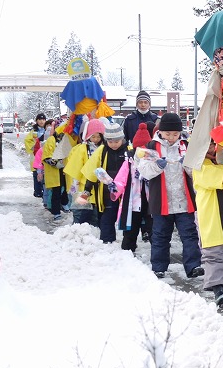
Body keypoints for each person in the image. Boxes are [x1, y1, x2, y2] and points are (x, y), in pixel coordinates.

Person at [136, 113, 203, 279]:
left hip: (183, 200)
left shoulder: (187, 146)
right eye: (168, 134)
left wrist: (188, 166)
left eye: (175, 134)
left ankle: (193, 266)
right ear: (161, 132)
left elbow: (196, 172)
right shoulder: (151, 147)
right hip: (161, 200)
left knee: (189, 234)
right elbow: (144, 172)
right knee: (160, 235)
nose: (172, 137)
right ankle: (159, 267)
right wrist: (157, 166)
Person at [192, 138, 223, 306]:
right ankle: (217, 288)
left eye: (215, 144)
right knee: (213, 253)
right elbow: (214, 177)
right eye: (209, 144)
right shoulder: (198, 163)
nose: (212, 148)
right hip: (211, 215)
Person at [81, 122, 130, 243]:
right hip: (107, 192)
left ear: (122, 139)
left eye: (116, 141)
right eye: (110, 142)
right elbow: (93, 170)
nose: (113, 144)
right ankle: (107, 242)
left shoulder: (129, 150)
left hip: (126, 192)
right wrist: (87, 190)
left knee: (128, 219)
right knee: (106, 218)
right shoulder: (102, 151)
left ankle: (128, 244)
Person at [112, 122, 154, 254]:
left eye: (144, 148)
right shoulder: (129, 162)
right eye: (139, 148)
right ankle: (127, 251)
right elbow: (121, 179)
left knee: (154, 229)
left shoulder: (153, 161)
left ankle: (159, 252)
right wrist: (114, 189)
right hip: (133, 201)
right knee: (131, 229)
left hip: (150, 201)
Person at [63, 118, 106, 226]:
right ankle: (79, 228)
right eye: (93, 136)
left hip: (99, 185)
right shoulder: (82, 149)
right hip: (83, 184)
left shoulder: (104, 148)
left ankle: (94, 228)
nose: (96, 139)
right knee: (82, 210)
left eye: (98, 136)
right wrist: (74, 185)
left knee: (95, 211)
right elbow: (75, 167)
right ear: (88, 136)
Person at [41, 121, 71, 221]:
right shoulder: (51, 140)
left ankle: (65, 204)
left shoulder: (66, 140)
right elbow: (46, 156)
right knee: (56, 191)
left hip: (65, 170)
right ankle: (56, 211)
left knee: (66, 189)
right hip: (55, 171)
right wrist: (54, 163)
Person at [24, 113, 46, 198]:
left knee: (44, 173)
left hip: (44, 153)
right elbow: (27, 140)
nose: (41, 121)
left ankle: (44, 191)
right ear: (36, 120)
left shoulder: (47, 129)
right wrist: (34, 147)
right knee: (36, 173)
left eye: (43, 119)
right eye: (40, 119)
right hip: (36, 154)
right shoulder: (33, 131)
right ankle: (37, 191)